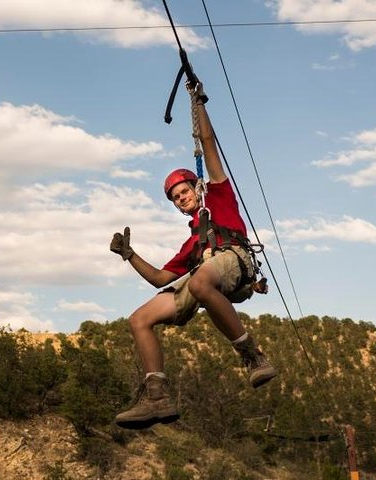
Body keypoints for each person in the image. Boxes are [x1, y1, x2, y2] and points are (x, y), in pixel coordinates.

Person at [109, 81, 276, 430]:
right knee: (139, 319)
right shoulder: (191, 245)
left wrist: (198, 101)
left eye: (184, 190)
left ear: (196, 187)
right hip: (207, 274)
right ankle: (157, 395)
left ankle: (252, 355)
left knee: (200, 281)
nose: (181, 197)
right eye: (175, 197)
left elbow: (209, 145)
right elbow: (160, 279)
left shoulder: (218, 197)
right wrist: (130, 255)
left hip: (233, 261)